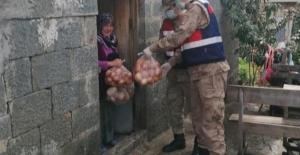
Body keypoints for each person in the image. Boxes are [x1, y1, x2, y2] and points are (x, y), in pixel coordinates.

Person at [142, 0, 230, 155]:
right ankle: (201, 149)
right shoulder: (183, 16)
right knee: (198, 118)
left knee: (212, 122)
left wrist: (151, 49)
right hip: (198, 73)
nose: (173, 6)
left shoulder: (196, 8)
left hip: (210, 72)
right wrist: (165, 64)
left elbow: (178, 38)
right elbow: (184, 45)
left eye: (174, 4)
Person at [156, 2, 200, 155]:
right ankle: (179, 139)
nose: (167, 12)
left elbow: (183, 48)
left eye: (168, 9)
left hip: (188, 73)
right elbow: (161, 44)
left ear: (176, 6)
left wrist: (170, 63)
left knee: (195, 109)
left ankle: (199, 144)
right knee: (174, 105)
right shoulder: (166, 24)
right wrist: (159, 65)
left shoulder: (189, 21)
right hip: (172, 74)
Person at [97, 13, 122, 154]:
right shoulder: (96, 41)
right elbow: (93, 62)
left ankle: (109, 137)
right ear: (100, 26)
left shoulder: (113, 40)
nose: (109, 28)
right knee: (100, 111)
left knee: (109, 109)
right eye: (106, 25)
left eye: (111, 25)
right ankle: (100, 142)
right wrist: (111, 63)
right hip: (100, 80)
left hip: (111, 80)